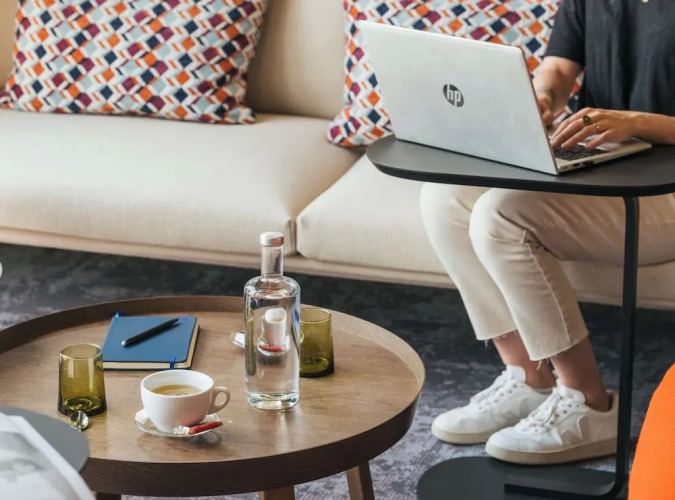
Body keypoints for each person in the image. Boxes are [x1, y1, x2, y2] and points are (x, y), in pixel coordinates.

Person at [420, 0, 675, 465]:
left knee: (501, 215)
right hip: (606, 162)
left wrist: (638, 122)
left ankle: (590, 404)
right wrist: (542, 99)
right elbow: (558, 66)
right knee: (445, 199)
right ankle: (529, 378)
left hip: (667, 188)